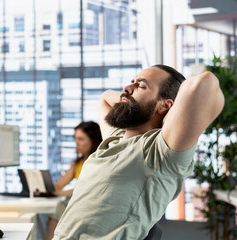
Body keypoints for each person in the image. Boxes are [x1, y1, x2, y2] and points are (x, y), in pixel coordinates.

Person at [52, 65, 224, 239]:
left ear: (165, 105)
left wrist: (169, 114)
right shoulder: (114, 139)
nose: (128, 88)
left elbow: (206, 83)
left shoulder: (160, 150)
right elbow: (104, 98)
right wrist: (127, 97)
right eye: (131, 82)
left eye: (141, 86)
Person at [46, 121, 102, 240]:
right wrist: (49, 189)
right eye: (75, 138)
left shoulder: (99, 162)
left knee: (60, 207)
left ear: (93, 141)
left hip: (91, 206)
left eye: (81, 139)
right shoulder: (77, 163)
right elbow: (59, 185)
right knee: (59, 208)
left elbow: (86, 188)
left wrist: (60, 193)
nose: (76, 143)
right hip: (78, 204)